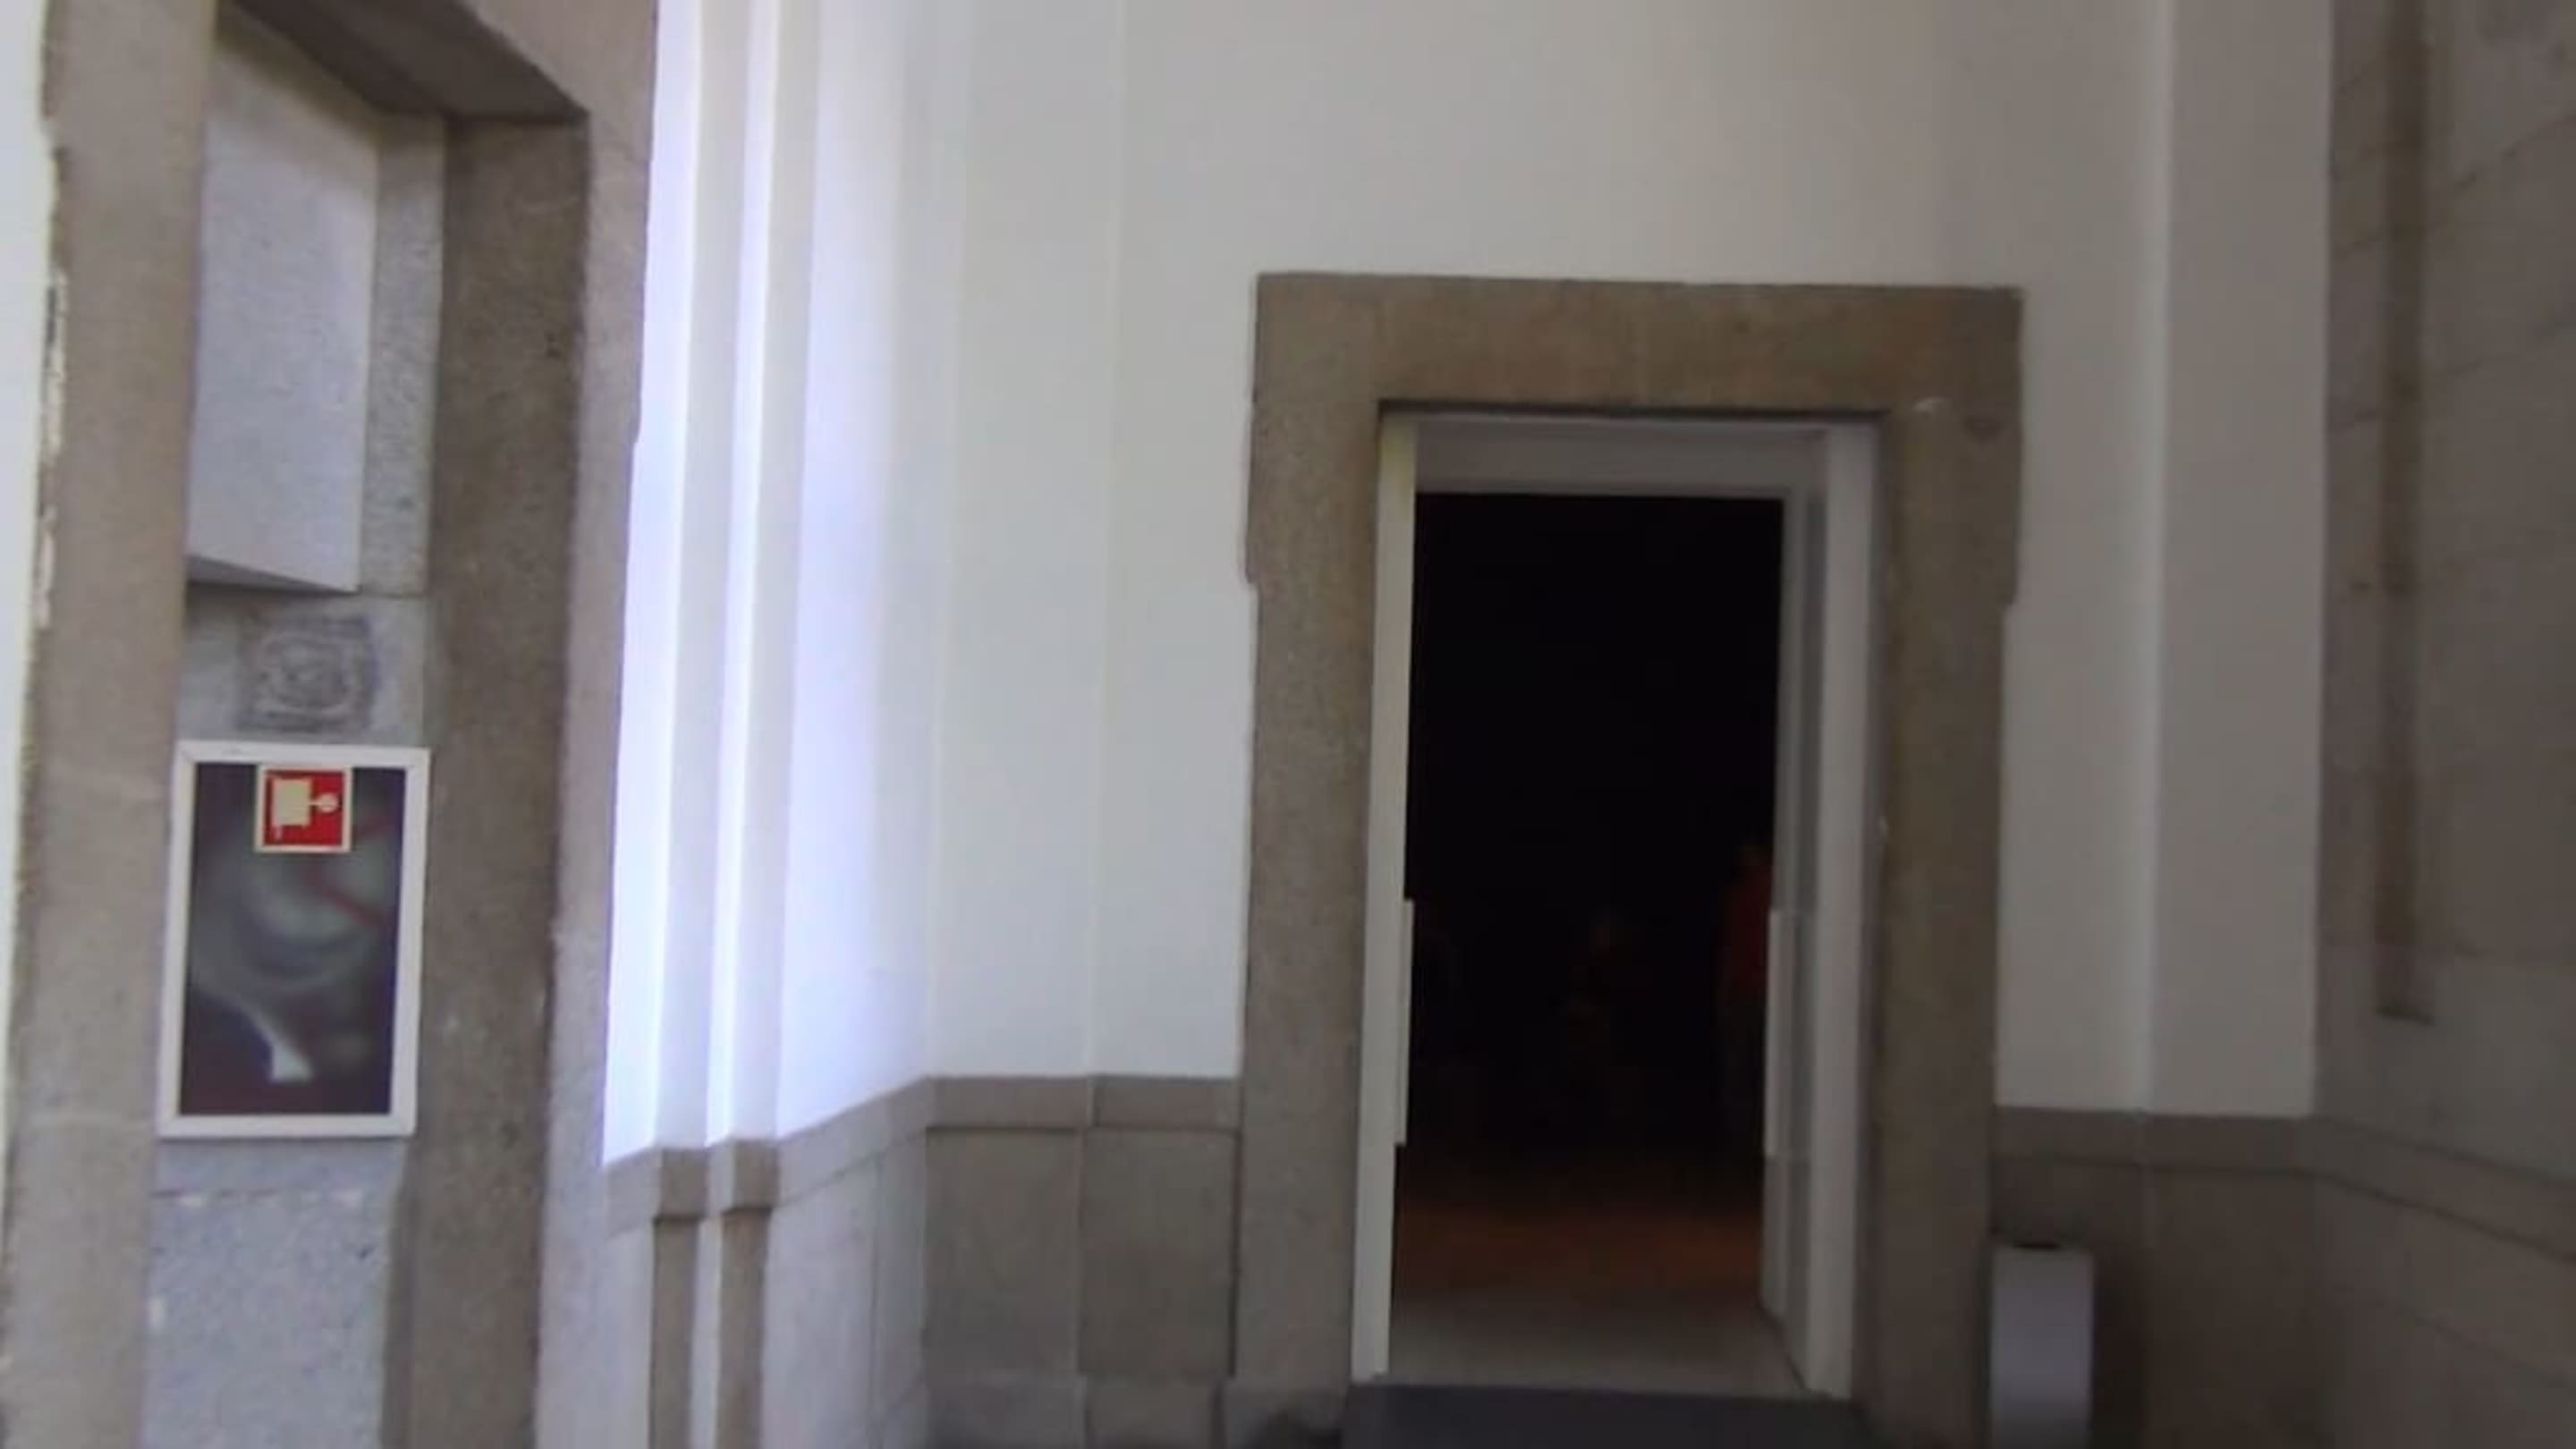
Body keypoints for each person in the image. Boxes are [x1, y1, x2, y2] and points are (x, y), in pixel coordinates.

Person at [1719, 842, 1773, 1160]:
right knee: (1753, 1069)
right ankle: (1747, 1141)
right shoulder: (1754, 891)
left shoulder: (1751, 893)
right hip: (1754, 991)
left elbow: (1734, 948)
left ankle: (1745, 1141)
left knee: (1746, 1069)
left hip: (1751, 992)